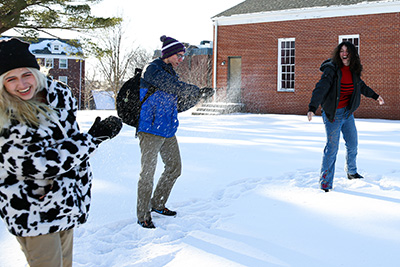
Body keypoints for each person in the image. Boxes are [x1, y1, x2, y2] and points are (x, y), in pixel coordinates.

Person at [0, 38, 122, 267]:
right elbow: (37, 164)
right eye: (11, 79)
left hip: (65, 200)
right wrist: (92, 139)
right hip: (32, 209)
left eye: (26, 74)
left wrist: (90, 138)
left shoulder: (57, 99)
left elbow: (67, 146)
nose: (21, 84)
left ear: (36, 72)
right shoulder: (5, 116)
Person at [136, 35, 214, 228]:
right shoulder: (152, 69)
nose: (181, 59)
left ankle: (158, 204)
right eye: (179, 55)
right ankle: (143, 215)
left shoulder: (171, 73)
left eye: (183, 56)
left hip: (168, 130)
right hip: (150, 130)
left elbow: (177, 103)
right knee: (147, 174)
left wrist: (198, 96)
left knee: (174, 168)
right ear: (168, 54)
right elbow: (173, 87)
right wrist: (194, 90)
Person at [307, 41, 384, 192]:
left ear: (351, 54)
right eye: (341, 51)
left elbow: (360, 86)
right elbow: (320, 88)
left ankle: (351, 172)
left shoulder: (354, 70)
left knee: (353, 143)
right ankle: (325, 183)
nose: (344, 53)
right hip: (333, 114)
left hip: (347, 113)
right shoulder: (332, 69)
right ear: (338, 53)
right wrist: (312, 107)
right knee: (332, 147)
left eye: (347, 51)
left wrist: (376, 96)